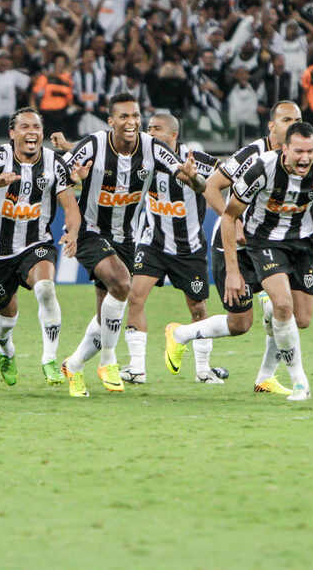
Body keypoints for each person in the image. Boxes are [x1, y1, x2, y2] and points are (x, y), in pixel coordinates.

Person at [166, 121, 313, 401]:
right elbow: (229, 216)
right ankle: (299, 381)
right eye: (298, 151)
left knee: (300, 319)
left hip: (302, 245)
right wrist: (232, 271)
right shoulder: (261, 167)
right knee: (281, 305)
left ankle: (185, 335)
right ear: (285, 149)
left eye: (310, 151)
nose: (305, 158)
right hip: (262, 242)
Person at [57, 93, 205, 397]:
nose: (131, 122)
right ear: (110, 121)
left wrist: (194, 179)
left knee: (105, 318)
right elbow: (60, 176)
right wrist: (74, 183)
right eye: (124, 116)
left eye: (135, 116)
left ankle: (72, 365)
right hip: (90, 232)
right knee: (123, 285)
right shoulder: (94, 144)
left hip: (126, 237)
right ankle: (109, 362)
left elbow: (186, 176)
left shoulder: (153, 148)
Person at [0, 107, 82, 386]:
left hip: (37, 243)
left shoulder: (54, 162)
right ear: (12, 133)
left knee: (46, 289)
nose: (32, 132)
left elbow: (70, 204)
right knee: (6, 319)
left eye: (36, 127)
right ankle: (6, 349)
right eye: (25, 127)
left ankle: (49, 359)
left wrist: (72, 232)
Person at [202, 101, 305, 396]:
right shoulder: (252, 154)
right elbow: (211, 186)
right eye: (286, 119)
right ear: (272, 126)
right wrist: (231, 221)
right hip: (233, 244)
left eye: (297, 119)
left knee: (285, 307)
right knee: (240, 323)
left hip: (268, 244)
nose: (293, 124)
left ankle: (266, 376)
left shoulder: (301, 157)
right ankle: (181, 334)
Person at [119, 113, 218, 384]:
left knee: (197, 308)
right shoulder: (143, 156)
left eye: (157, 129)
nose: (149, 133)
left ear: (173, 135)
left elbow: (227, 173)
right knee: (135, 296)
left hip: (189, 248)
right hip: (152, 242)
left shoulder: (196, 159)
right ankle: (137, 368)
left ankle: (203, 370)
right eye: (148, 128)